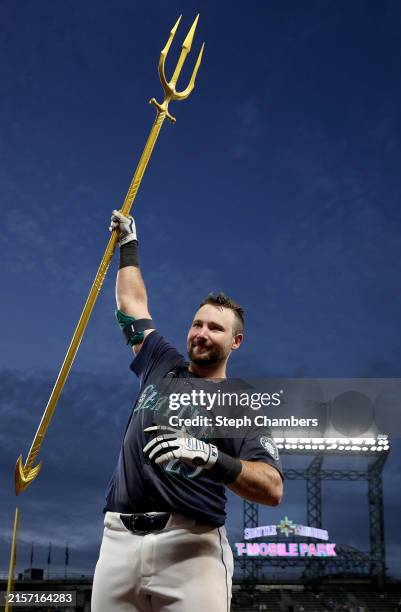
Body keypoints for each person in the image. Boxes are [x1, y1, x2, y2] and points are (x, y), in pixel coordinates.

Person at [91, 210, 284, 612]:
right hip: (117, 542)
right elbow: (132, 304)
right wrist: (129, 246)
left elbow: (272, 487)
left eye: (215, 328)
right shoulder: (162, 362)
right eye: (197, 324)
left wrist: (213, 457)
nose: (201, 333)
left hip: (191, 547)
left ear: (236, 342)